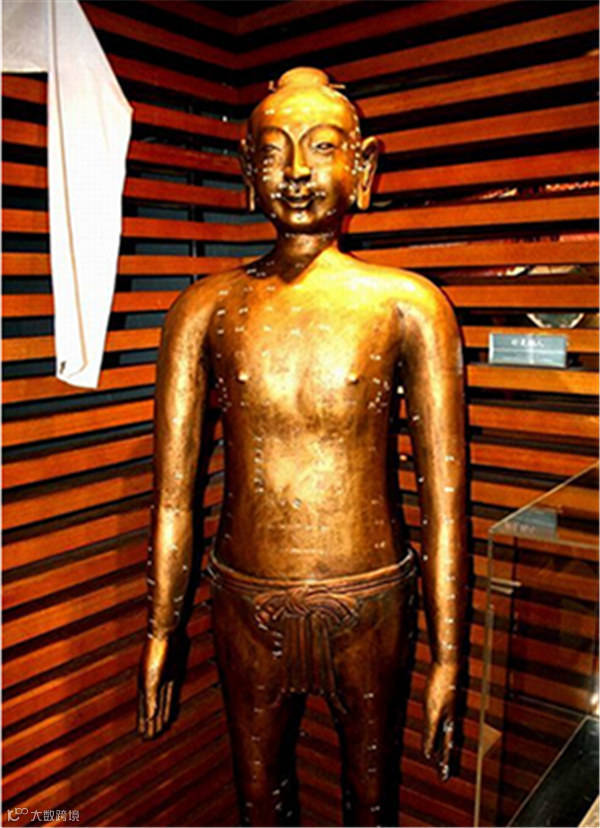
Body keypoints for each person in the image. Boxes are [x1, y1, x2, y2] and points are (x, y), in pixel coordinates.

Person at [138, 66, 467, 828]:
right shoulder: (202, 309)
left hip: (372, 597)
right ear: (247, 172)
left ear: (364, 166)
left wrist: (449, 656)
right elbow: (174, 498)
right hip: (244, 597)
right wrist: (160, 628)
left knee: (372, 800)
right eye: (273, 150)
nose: (294, 171)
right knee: (258, 798)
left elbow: (446, 506)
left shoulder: (409, 306)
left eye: (321, 147)